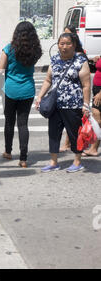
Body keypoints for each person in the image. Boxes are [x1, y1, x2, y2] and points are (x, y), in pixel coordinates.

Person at [36, 33, 91, 173]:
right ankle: (53, 162)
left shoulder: (80, 61)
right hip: (56, 104)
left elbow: (86, 85)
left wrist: (85, 104)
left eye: (67, 43)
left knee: (74, 134)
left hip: (73, 105)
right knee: (53, 133)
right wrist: (40, 96)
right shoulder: (54, 60)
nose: (64, 47)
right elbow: (48, 80)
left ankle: (77, 161)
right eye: (61, 43)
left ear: (74, 45)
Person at [0, 21, 42, 168]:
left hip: (10, 90)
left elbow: (0, 70)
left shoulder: (9, 49)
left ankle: (8, 151)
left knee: (9, 122)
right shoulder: (35, 50)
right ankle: (23, 159)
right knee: (23, 124)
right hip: (28, 90)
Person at [59, 25, 88, 152]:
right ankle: (71, 144)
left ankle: (76, 147)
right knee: (69, 123)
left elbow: (86, 83)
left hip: (76, 96)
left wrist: (86, 103)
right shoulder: (63, 55)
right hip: (65, 96)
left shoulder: (79, 56)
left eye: (68, 35)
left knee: (74, 124)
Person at [82, 54, 101, 156]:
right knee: (97, 118)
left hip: (100, 92)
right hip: (97, 89)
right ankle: (94, 148)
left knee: (96, 117)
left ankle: (93, 148)